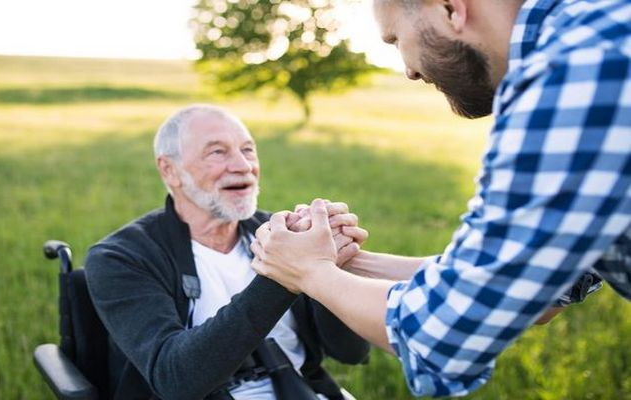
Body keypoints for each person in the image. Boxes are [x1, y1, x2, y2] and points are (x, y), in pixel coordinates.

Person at [250, 0, 630, 397]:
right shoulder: (595, 37)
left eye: (396, 38)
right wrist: (348, 263)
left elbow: (443, 336)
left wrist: (309, 272)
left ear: (450, 8)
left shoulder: (570, 76)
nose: (409, 71)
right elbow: (534, 289)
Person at [84, 104, 370, 400]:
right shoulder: (122, 257)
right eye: (217, 152)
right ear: (170, 170)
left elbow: (350, 352)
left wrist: (333, 268)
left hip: (303, 391)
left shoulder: (284, 235)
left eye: (247, 150)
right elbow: (175, 381)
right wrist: (284, 274)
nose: (243, 166)